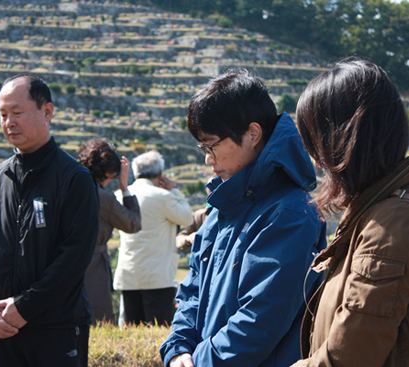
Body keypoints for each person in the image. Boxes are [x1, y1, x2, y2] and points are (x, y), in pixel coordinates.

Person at [292, 57, 409, 366]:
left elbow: (350, 354)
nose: (316, 160)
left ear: (345, 139)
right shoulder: (381, 208)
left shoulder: (394, 221)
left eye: (316, 143)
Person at [160, 69, 326, 367]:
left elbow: (261, 320)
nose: (207, 158)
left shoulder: (290, 213)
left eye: (211, 145)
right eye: (202, 147)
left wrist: (200, 362)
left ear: (253, 133)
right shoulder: (223, 205)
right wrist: (178, 349)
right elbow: (193, 289)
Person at [0, 74, 99, 367]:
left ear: (47, 111)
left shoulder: (74, 178)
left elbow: (75, 257)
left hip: (57, 327)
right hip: (0, 328)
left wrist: (25, 306)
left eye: (17, 112)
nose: (8, 122)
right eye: (2, 115)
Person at [113, 150, 192, 326]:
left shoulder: (121, 195)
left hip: (128, 275)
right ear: (160, 174)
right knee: (159, 331)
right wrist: (174, 190)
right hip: (158, 276)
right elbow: (188, 218)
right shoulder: (164, 197)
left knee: (130, 331)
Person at [78, 139, 141, 323]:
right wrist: (124, 187)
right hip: (93, 267)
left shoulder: (66, 185)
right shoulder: (104, 197)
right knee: (98, 317)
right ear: (108, 172)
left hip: (62, 263)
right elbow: (133, 224)